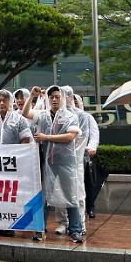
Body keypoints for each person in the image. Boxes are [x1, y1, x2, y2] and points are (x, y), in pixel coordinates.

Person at [22, 85, 83, 243]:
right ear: (48, 99)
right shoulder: (43, 116)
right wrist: (32, 96)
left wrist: (46, 137)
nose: (54, 99)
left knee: (71, 195)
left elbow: (70, 137)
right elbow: (25, 113)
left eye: (57, 97)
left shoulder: (70, 116)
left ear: (62, 98)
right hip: (48, 163)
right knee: (44, 197)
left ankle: (75, 230)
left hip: (66, 163)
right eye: (51, 97)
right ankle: (39, 229)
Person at [54, 86, 90, 235]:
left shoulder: (82, 116)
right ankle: (62, 222)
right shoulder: (56, 115)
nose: (66, 98)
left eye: (69, 95)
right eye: (64, 95)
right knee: (58, 192)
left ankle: (80, 223)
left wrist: (74, 154)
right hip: (59, 161)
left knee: (78, 194)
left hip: (75, 161)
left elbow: (84, 137)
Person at [75, 94, 101, 218]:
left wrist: (91, 147)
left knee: (87, 182)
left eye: (76, 103)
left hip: (83, 155)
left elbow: (94, 134)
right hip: (69, 155)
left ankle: (90, 207)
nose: (74, 105)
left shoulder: (87, 117)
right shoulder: (66, 117)